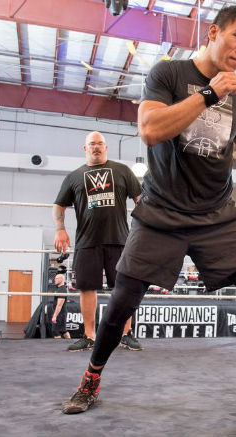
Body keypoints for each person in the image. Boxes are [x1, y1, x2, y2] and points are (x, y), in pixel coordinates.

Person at [60, 6, 236, 429]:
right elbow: (150, 129)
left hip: (217, 215)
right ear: (213, 33)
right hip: (161, 212)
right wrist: (208, 95)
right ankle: (90, 379)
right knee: (123, 299)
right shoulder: (168, 74)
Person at [54, 131, 144, 352]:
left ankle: (126, 334)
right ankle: (89, 336)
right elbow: (59, 205)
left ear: (106, 147)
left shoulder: (122, 171)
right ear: (85, 148)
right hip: (87, 241)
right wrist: (60, 229)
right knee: (87, 288)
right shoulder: (74, 176)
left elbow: (140, 199)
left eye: (100, 143)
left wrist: (144, 226)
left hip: (119, 239)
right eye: (92, 144)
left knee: (124, 288)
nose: (96, 147)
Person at [51, 274, 71, 339]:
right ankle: (70, 342)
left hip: (60, 313)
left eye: (56, 278)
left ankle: (57, 345)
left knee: (56, 331)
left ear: (61, 279)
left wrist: (55, 316)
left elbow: (59, 305)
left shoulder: (62, 289)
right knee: (63, 331)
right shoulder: (59, 289)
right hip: (60, 313)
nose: (55, 280)